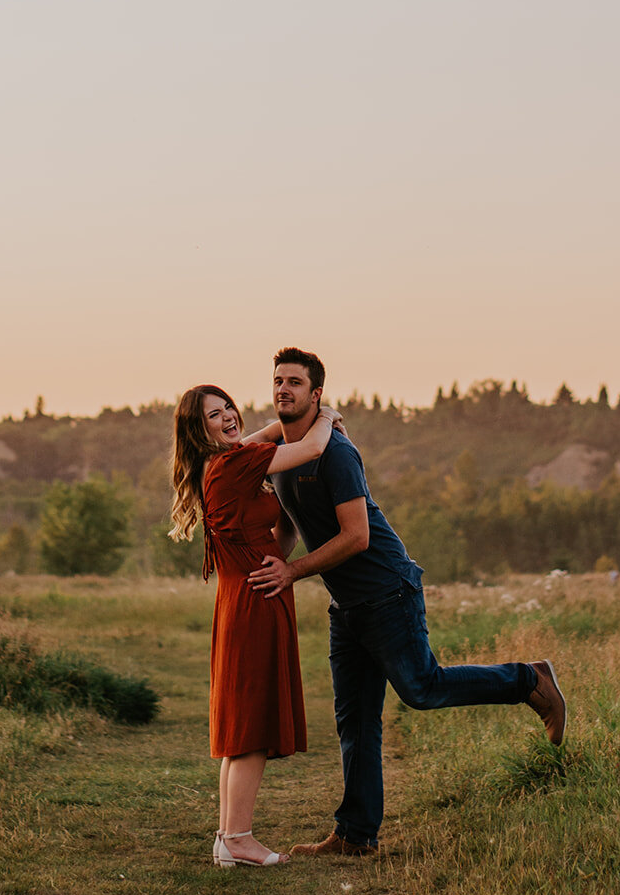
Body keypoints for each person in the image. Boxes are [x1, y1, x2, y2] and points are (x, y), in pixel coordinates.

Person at [247, 347, 567, 858]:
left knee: (422, 688)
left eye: (295, 382)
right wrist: (266, 562)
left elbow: (356, 537)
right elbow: (289, 527)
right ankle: (355, 836)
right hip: (346, 605)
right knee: (355, 719)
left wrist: (293, 572)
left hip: (387, 591)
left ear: (317, 394)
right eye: (278, 381)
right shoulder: (283, 460)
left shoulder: (336, 454)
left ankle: (530, 680)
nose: (283, 388)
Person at [169, 382, 341, 867]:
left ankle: (229, 838)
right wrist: (325, 415)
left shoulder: (221, 464)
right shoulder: (233, 464)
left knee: (243, 723)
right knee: (250, 729)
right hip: (253, 603)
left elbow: (264, 436)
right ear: (197, 429)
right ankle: (240, 838)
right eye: (213, 415)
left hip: (243, 596)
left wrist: (280, 554)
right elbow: (307, 446)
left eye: (228, 409)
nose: (228, 418)